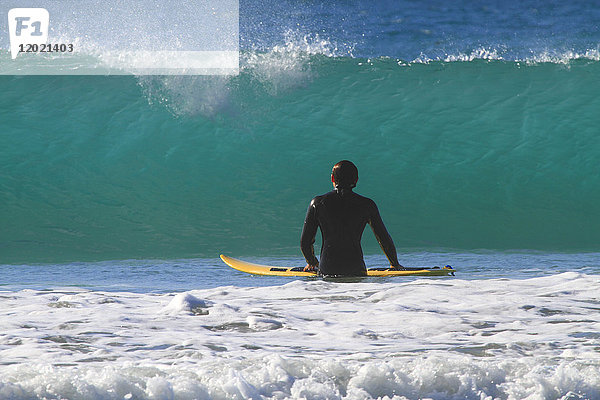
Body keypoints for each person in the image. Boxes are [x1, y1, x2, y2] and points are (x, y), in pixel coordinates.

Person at [300, 160, 403, 276]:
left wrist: (312, 262)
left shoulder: (318, 203)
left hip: (327, 271)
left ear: (332, 178)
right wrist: (394, 264)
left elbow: (305, 242)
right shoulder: (367, 205)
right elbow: (383, 238)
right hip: (356, 270)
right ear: (356, 180)